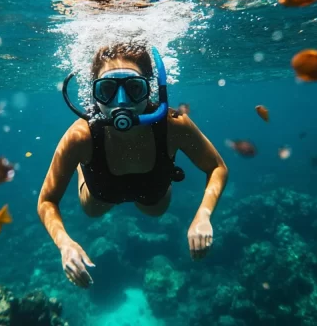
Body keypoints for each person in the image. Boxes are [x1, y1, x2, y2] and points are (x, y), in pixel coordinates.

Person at [37, 42, 228, 288]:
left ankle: (86, 163)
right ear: (94, 94)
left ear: (149, 91)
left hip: (153, 197)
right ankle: (82, 165)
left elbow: (217, 167)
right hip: (99, 195)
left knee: (155, 210)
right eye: (107, 89)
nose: (121, 103)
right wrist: (65, 244)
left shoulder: (173, 124)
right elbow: (46, 201)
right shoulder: (80, 136)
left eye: (134, 89)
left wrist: (203, 215)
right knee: (94, 210)